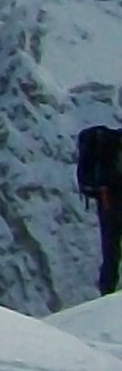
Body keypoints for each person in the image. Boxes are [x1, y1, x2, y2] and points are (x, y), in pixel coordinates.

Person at [81, 123, 122, 297]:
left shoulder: (107, 144)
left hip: (106, 203)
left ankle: (107, 292)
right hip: (114, 200)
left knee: (110, 252)